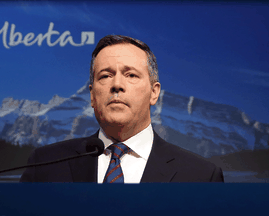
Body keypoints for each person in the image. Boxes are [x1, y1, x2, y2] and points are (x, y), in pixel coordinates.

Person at [20, 35, 224, 183]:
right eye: (105, 76)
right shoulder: (45, 165)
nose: (117, 84)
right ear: (92, 95)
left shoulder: (202, 176)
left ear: (154, 93)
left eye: (131, 75)